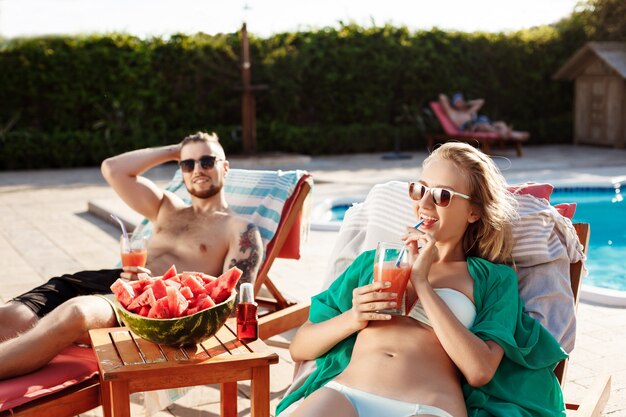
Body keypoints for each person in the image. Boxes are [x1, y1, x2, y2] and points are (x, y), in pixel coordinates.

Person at [278, 142, 566, 417]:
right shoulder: (374, 262)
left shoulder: (493, 279)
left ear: (474, 212)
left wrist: (423, 284)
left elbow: (480, 370)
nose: (425, 203)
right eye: (419, 189)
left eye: (442, 195)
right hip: (346, 394)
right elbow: (300, 346)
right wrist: (354, 317)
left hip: (428, 407)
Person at [0, 132, 263, 380]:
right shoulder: (167, 207)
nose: (197, 170)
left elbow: (233, 304)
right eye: (187, 164)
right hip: (114, 279)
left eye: (207, 161)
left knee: (77, 312)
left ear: (225, 167)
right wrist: (175, 150)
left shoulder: (239, 229)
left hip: (148, 307)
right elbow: (113, 169)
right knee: (10, 316)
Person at [439, 92, 530, 141]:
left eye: (461, 101)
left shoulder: (468, 111)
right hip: (470, 127)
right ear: (453, 103)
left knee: (501, 123)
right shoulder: (452, 113)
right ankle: (512, 134)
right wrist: (452, 103)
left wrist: (467, 103)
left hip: (480, 122)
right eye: (458, 101)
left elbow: (481, 101)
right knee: (485, 126)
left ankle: (508, 133)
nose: (460, 103)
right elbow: (442, 97)